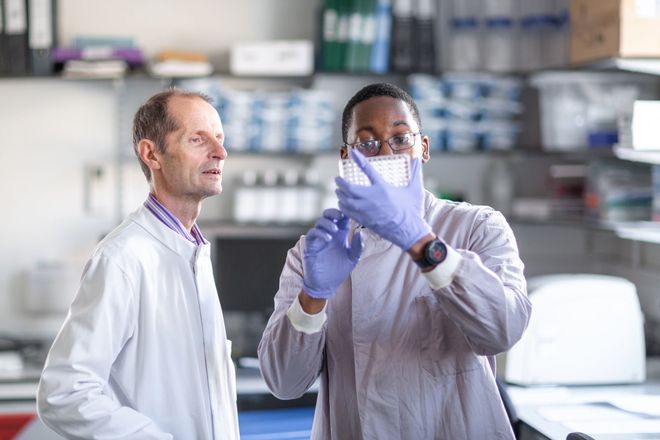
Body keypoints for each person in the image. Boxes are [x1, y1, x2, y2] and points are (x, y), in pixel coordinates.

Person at [258, 82, 532, 439]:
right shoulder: (317, 252)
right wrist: (313, 295)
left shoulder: (476, 227)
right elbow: (284, 382)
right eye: (368, 143)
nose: (386, 154)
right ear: (347, 158)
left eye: (401, 139)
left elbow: (503, 330)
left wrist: (420, 241)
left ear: (424, 148)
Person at [37, 89, 239, 439]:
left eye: (219, 139)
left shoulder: (192, 251)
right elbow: (64, 393)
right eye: (197, 139)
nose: (220, 153)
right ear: (151, 154)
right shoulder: (123, 258)